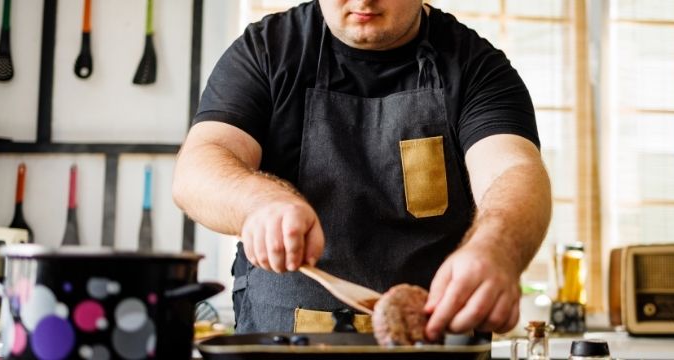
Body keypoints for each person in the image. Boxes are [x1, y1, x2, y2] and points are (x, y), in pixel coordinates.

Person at [172, 0, 551, 341]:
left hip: (435, 343)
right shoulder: (267, 50)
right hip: (281, 344)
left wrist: (498, 247)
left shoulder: (476, 66)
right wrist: (255, 202)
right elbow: (200, 163)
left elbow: (512, 169)